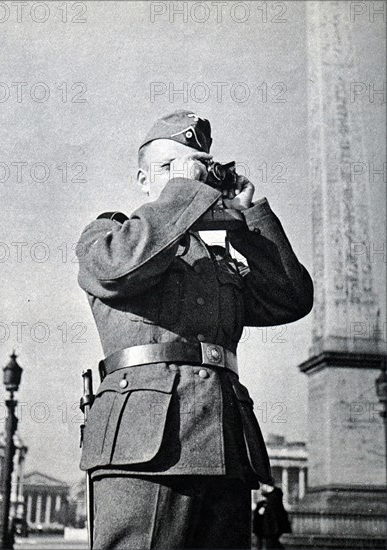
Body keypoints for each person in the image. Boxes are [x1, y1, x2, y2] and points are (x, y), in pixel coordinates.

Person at [76, 110, 313, 549]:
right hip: (144, 448)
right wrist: (185, 190)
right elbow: (114, 271)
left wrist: (248, 216)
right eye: (167, 168)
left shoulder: (216, 257)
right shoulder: (109, 234)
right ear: (143, 179)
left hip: (223, 444)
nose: (184, 178)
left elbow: (290, 298)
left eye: (195, 167)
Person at [253, 485, 292, 549]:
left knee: (271, 544)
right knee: (271, 543)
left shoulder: (271, 501)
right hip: (271, 529)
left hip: (271, 529)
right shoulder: (269, 502)